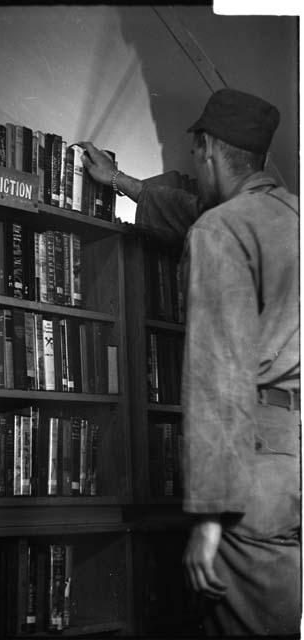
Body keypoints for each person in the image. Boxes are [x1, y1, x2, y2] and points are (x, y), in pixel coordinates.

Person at [80, 87, 300, 636]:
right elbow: (192, 208)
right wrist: (125, 184)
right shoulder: (290, 216)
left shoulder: (220, 231)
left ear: (205, 150)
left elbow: (218, 376)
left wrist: (207, 517)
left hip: (247, 472)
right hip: (291, 455)